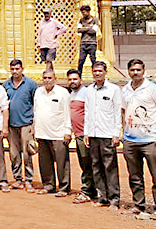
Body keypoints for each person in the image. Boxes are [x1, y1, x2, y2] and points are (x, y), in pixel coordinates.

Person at [122, 58, 156, 220]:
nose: (135, 73)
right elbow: (123, 111)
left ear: (143, 71)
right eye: (132, 70)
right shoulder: (125, 90)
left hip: (149, 140)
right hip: (130, 140)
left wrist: (153, 123)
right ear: (128, 71)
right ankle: (138, 204)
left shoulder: (152, 88)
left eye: (138, 70)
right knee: (134, 175)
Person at [84, 61, 122, 210]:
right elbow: (87, 112)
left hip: (107, 134)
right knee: (96, 166)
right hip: (93, 134)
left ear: (105, 72)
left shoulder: (113, 90)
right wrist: (86, 132)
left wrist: (116, 133)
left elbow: (117, 112)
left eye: (100, 71)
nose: (97, 73)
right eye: (95, 71)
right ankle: (103, 197)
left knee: (110, 167)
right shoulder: (89, 90)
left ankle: (114, 198)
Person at [33, 70, 72, 197]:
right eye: (45, 78)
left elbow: (67, 113)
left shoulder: (62, 93)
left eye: (50, 78)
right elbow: (36, 111)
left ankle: (64, 187)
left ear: (55, 78)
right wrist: (34, 128)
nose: (47, 80)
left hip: (58, 133)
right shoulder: (39, 92)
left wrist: (67, 131)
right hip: (42, 132)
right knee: (44, 162)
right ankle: (48, 185)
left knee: (62, 163)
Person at [3, 59, 39, 192]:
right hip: (11, 125)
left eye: (17, 69)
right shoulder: (6, 85)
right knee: (14, 154)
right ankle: (18, 178)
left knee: (27, 154)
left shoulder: (30, 84)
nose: (15, 71)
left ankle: (29, 180)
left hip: (26, 124)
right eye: (12, 69)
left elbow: (36, 105)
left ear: (22, 69)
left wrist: (34, 124)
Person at [67, 68, 97, 204]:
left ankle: (87, 190)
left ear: (80, 79)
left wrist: (87, 132)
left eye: (75, 79)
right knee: (84, 162)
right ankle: (92, 189)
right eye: (70, 79)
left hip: (86, 135)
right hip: (77, 134)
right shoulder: (71, 94)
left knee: (88, 163)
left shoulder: (86, 93)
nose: (72, 81)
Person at [75, 5, 100, 79]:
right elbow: (79, 30)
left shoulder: (95, 20)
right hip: (83, 43)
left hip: (92, 43)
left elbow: (93, 31)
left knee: (93, 60)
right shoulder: (81, 20)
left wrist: (84, 28)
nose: (83, 14)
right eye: (82, 13)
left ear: (88, 12)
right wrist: (89, 28)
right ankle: (79, 77)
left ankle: (96, 76)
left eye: (85, 12)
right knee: (81, 60)